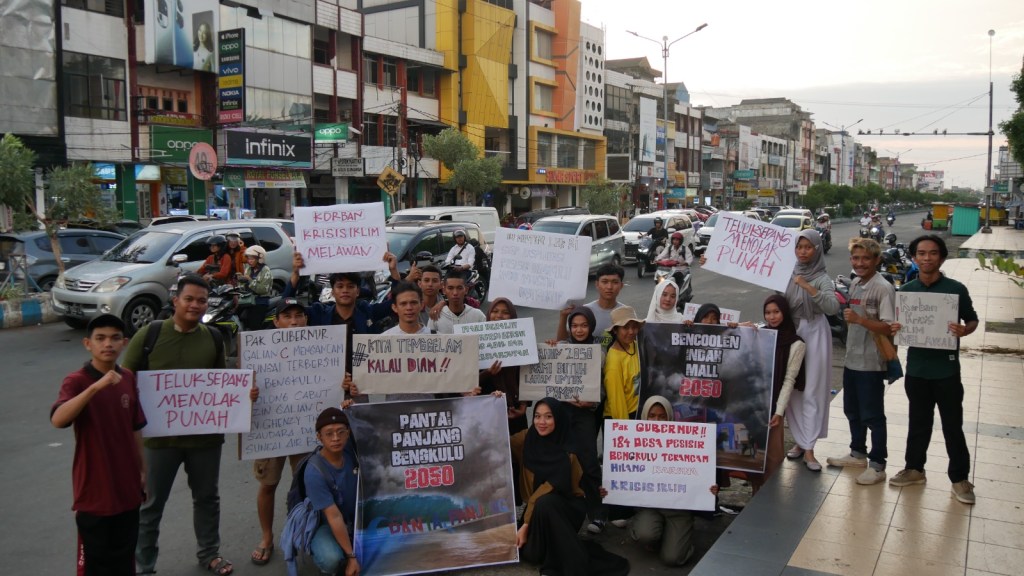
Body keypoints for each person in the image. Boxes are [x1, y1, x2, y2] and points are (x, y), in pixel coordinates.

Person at [122, 275, 234, 575]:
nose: (195, 305)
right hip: (160, 441)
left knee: (207, 498)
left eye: (202, 300)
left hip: (205, 438)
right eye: (189, 299)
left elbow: (221, 385)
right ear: (176, 301)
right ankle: (144, 566)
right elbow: (124, 380)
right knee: (150, 504)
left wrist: (242, 395)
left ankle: (209, 553)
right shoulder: (149, 335)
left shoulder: (213, 337)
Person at [51, 314, 146, 576]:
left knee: (124, 560)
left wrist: (142, 470)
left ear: (124, 343)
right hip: (94, 492)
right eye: (100, 338)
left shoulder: (127, 377)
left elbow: (135, 428)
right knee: (95, 565)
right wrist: (95, 387)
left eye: (115, 338)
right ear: (87, 344)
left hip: (127, 488)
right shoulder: (77, 381)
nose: (108, 344)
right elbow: (58, 420)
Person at [889, 235, 979, 504]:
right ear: (914, 257)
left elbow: (972, 320)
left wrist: (964, 330)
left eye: (932, 253)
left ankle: (960, 479)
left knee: (952, 425)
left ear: (941, 257)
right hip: (917, 370)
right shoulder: (906, 292)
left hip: (946, 371)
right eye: (921, 253)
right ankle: (914, 469)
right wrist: (895, 328)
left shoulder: (956, 289)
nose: (926, 258)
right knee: (918, 422)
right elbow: (897, 326)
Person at [510, 398, 628, 576]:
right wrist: (494, 404)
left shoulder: (568, 448)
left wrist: (526, 525)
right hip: (539, 509)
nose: (542, 422)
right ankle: (555, 550)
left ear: (558, 418)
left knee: (546, 502)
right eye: (537, 416)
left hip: (567, 508)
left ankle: (560, 565)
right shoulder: (528, 437)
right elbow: (499, 442)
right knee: (531, 553)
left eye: (548, 417)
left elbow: (548, 488)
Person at [283, 251, 403, 398]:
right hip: (326, 388)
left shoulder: (367, 312)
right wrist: (296, 274)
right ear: (333, 292)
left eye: (350, 286)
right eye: (340, 286)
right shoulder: (319, 313)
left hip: (360, 388)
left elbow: (396, 302)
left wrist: (393, 271)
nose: (345, 290)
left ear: (357, 291)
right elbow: (286, 306)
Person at [826, 238, 896, 485]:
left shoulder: (883, 288)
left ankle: (877, 465)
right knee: (852, 410)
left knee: (873, 415)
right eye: (856, 258)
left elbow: (889, 327)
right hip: (852, 360)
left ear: (877, 260)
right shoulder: (855, 283)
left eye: (866, 258)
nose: (860, 263)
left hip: (871, 363)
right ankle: (857, 453)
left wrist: (860, 320)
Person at [249, 298, 308, 566]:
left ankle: (303, 533)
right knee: (268, 484)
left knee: (305, 485)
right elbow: (242, 386)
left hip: (304, 428)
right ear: (276, 322)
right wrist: (248, 393)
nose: (294, 322)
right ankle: (266, 537)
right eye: (287, 316)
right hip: (272, 428)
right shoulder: (258, 350)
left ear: (306, 320)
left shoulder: (320, 348)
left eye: (299, 316)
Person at [627, 396, 718, 566]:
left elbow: (699, 474)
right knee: (645, 534)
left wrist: (709, 488)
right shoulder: (631, 442)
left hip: (678, 509)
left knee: (673, 558)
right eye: (652, 416)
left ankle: (682, 539)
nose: (657, 421)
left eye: (662, 416)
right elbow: (623, 475)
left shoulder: (686, 442)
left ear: (669, 417)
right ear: (644, 416)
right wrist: (610, 489)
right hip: (650, 507)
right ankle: (658, 535)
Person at [783, 230, 840, 471]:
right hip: (792, 333)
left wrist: (808, 287)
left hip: (815, 334)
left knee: (812, 390)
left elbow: (833, 307)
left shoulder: (821, 278)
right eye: (799, 247)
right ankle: (800, 440)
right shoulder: (787, 272)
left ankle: (810, 448)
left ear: (817, 249)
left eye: (808, 247)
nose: (803, 251)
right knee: (793, 388)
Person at [750, 296, 805, 492]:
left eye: (776, 312)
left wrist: (779, 411)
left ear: (785, 312)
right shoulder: (760, 334)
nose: (771, 317)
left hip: (773, 407)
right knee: (752, 455)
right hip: (753, 403)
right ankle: (755, 494)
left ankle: (770, 498)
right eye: (767, 313)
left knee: (773, 457)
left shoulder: (796, 344)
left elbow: (789, 380)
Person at [297, 407, 360, 576]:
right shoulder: (314, 472)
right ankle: (330, 567)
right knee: (330, 558)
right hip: (326, 524)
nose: (336, 438)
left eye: (341, 432)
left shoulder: (350, 451)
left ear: (348, 433)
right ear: (319, 437)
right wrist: (351, 556)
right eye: (329, 434)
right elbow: (334, 517)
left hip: (355, 519)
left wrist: (352, 407)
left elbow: (365, 426)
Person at [556, 263, 626, 344]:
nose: (609, 287)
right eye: (605, 282)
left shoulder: (626, 314)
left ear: (621, 286)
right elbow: (562, 343)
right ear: (597, 284)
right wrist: (563, 317)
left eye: (615, 282)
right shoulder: (585, 311)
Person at [603, 306, 644, 421]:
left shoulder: (636, 345)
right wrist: (625, 426)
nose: (631, 332)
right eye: (625, 327)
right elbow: (616, 400)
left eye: (634, 327)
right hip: (623, 416)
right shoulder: (614, 361)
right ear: (615, 330)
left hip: (638, 411)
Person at [237, 245, 273, 330]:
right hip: (248, 300)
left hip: (260, 301)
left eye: (252, 259)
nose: (249, 261)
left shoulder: (265, 270)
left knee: (254, 324)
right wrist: (240, 280)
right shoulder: (249, 269)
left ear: (259, 259)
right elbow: (243, 287)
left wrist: (250, 280)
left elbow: (263, 290)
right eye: (248, 259)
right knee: (236, 314)